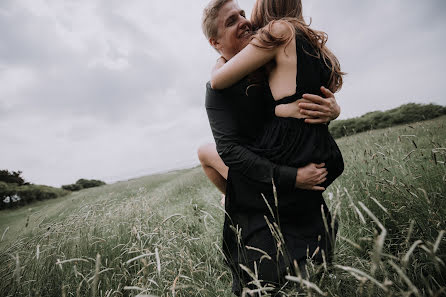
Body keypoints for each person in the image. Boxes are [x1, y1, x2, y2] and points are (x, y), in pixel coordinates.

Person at [200, 0, 342, 295]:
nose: (243, 20)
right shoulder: (217, 92)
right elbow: (230, 151)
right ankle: (239, 204)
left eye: (242, 13)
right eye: (231, 21)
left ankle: (245, 205)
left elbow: (302, 104)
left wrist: (333, 109)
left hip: (290, 165)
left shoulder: (272, 62)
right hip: (261, 173)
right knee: (263, 282)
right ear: (215, 43)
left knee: (315, 270)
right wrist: (292, 177)